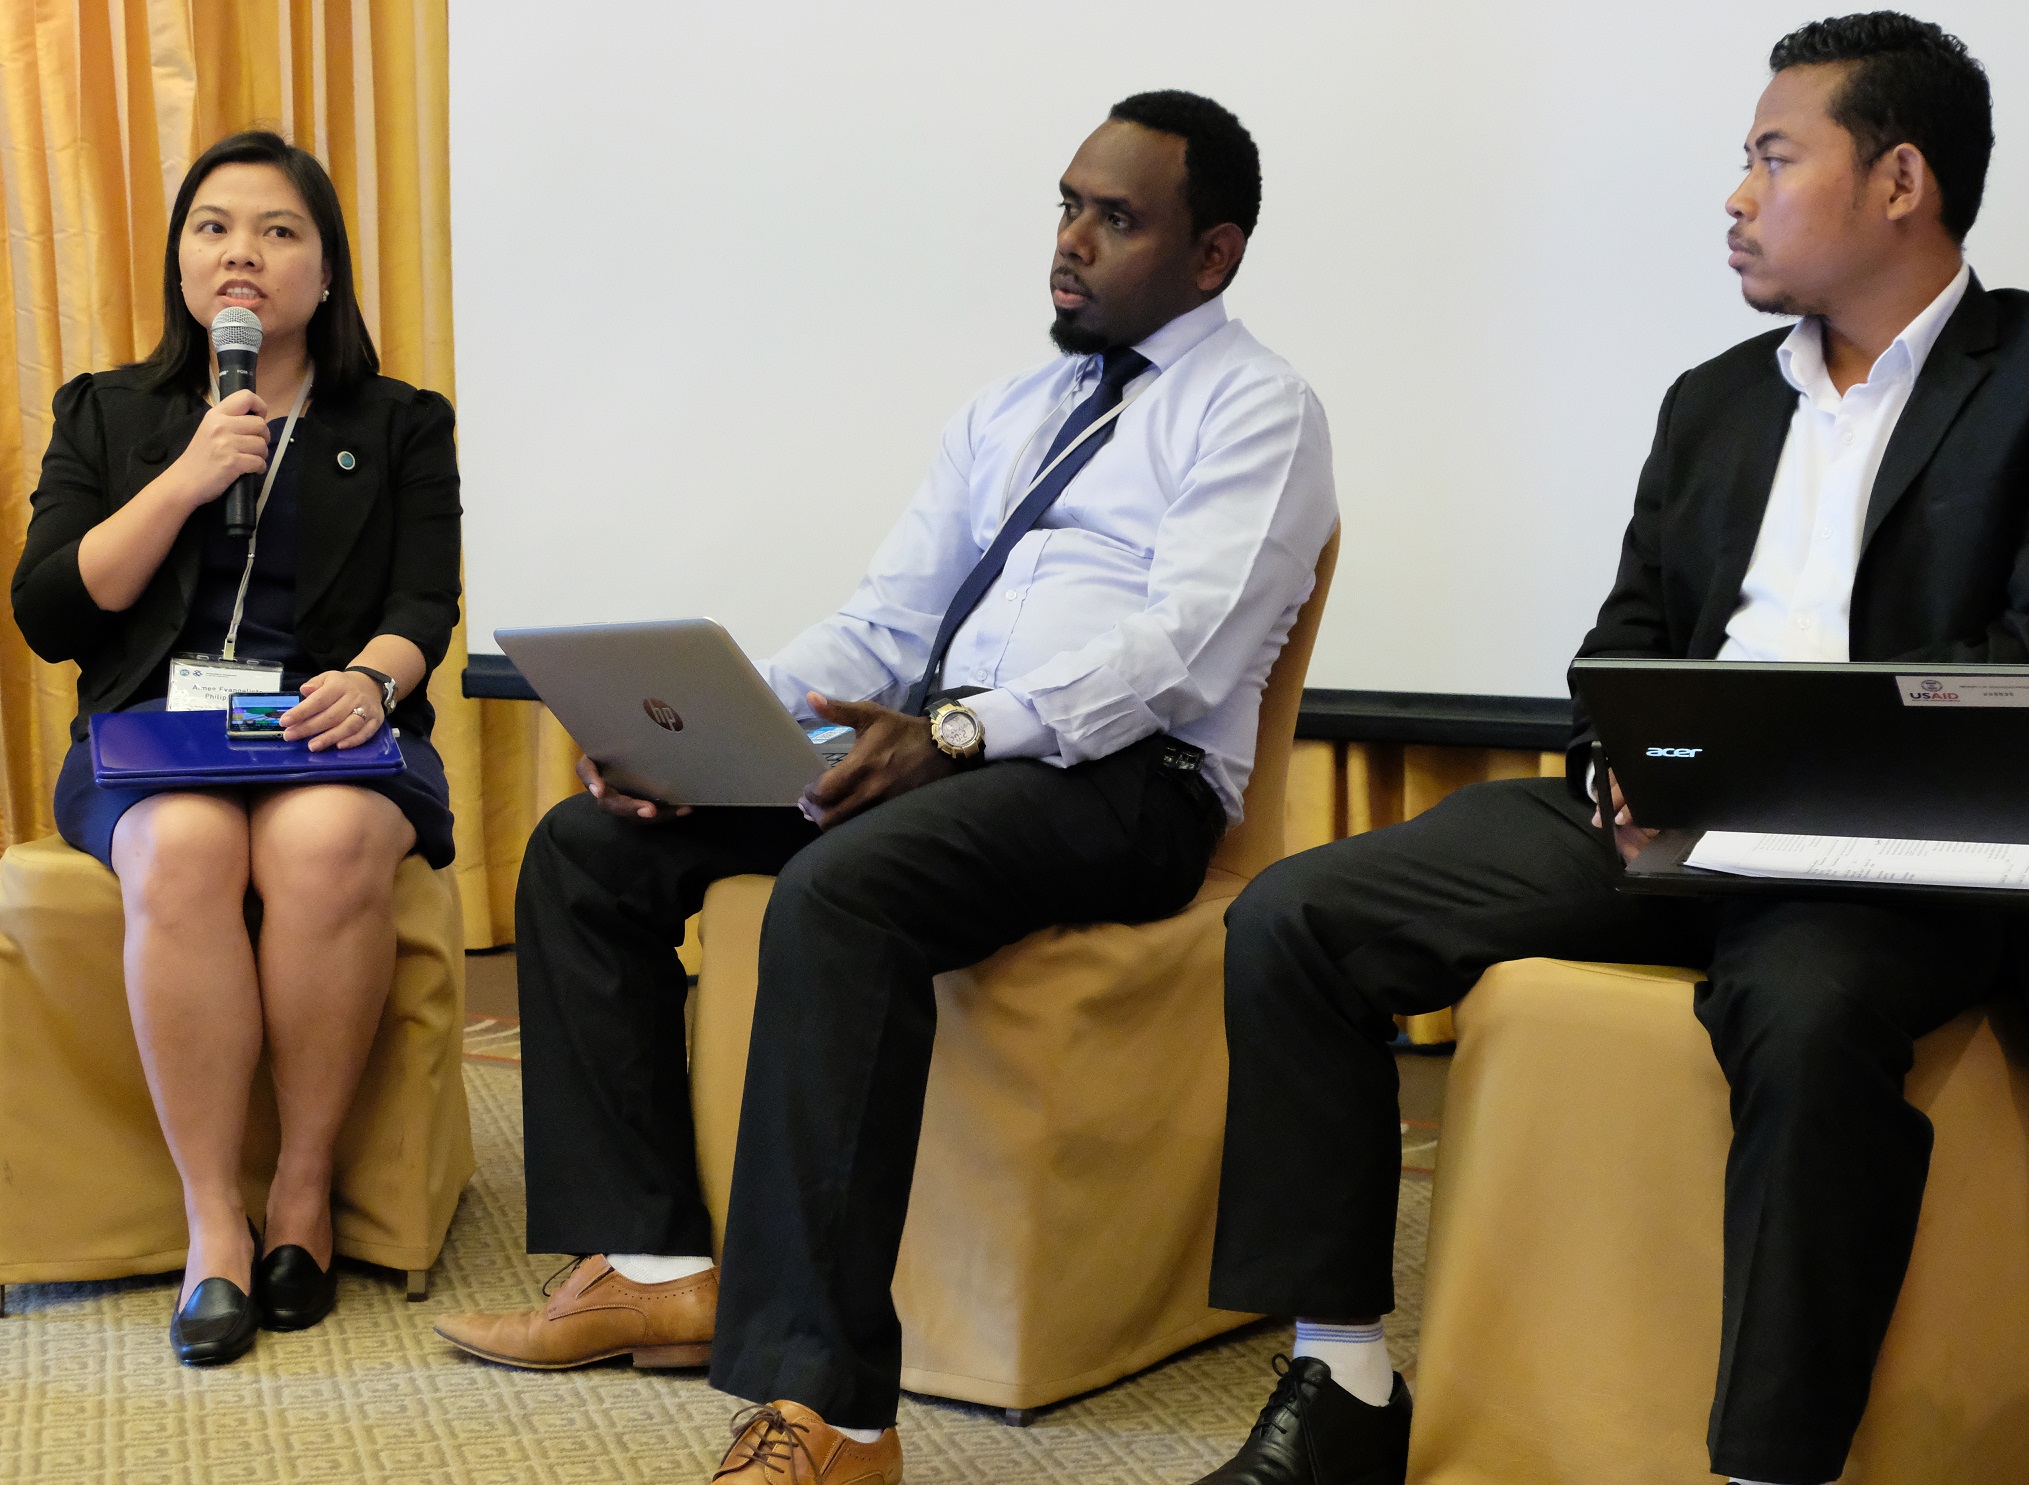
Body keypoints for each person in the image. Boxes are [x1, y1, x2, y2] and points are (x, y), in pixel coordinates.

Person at [431, 90, 1337, 1481]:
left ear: (1211, 254)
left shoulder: (1259, 411)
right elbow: (886, 623)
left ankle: (835, 1412)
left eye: (1116, 218)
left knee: (842, 895)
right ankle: (658, 1266)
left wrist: (959, 735)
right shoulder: (1008, 410)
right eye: (1067, 206)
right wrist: (710, 726)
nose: (1071, 241)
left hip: (1124, 786)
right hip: (947, 755)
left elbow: (1177, 656)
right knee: (589, 848)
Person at [1194, 14, 2025, 1485]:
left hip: (1889, 861)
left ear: (1900, 181)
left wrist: (1817, 756)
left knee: (1807, 1013)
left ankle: (1769, 1465)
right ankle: (1344, 1382)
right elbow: (1625, 641)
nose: (1736, 195)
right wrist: (1622, 761)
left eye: (1774, 157)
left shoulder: (2021, 381)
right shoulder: (1714, 403)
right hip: (1675, 823)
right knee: (1298, 916)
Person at [10, 131, 461, 1367]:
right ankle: (215, 1221)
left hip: (330, 724)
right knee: (182, 849)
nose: (241, 254)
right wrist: (186, 477)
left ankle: (303, 1194)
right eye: (212, 228)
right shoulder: (107, 411)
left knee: (322, 840)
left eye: (277, 230)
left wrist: (372, 681)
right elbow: (52, 610)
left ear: (326, 269)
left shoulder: (402, 423)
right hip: (156, 736)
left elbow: (425, 604)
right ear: (181, 262)